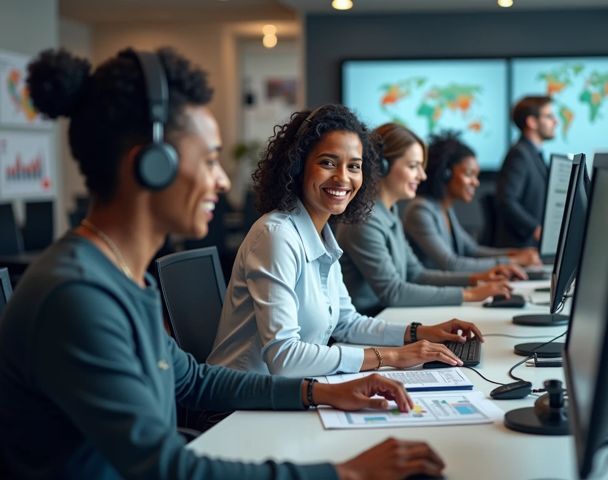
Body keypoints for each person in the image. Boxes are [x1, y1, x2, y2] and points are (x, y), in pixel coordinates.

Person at [0, 48, 446, 480]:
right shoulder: (77, 297)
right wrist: (344, 473)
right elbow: (166, 469)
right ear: (152, 166)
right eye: (210, 159)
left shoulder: (122, 278)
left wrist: (320, 391)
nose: (221, 179)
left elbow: (192, 381)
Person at [209, 105, 484, 379]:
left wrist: (420, 332)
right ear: (298, 165)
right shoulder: (276, 235)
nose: (343, 177)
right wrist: (391, 357)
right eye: (327, 162)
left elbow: (346, 323)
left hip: (289, 392)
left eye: (354, 166)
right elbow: (284, 357)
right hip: (240, 406)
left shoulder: (323, 234)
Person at [335, 123, 513, 317]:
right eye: (413, 166)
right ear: (382, 166)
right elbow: (393, 292)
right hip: (368, 324)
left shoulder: (388, 213)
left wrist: (477, 279)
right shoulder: (365, 221)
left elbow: (416, 274)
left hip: (386, 316)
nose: (422, 175)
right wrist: (469, 294)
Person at [403, 130, 541, 272]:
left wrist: (515, 253)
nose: (476, 183)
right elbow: (451, 264)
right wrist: (513, 261)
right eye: (469, 174)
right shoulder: (420, 210)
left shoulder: (444, 208)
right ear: (446, 174)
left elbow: (471, 250)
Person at [495, 95, 558, 248]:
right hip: (521, 247)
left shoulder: (534, 154)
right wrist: (535, 229)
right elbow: (506, 200)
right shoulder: (520, 154)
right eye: (549, 116)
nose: (555, 121)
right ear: (532, 122)